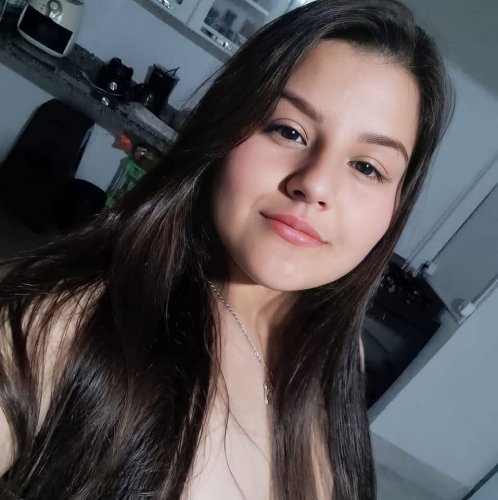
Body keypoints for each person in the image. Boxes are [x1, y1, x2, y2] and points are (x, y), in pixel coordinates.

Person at [0, 0, 450, 498]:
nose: (315, 184)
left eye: (367, 167)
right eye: (288, 130)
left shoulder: (339, 353)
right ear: (225, 125)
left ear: (396, 205)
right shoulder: (69, 324)